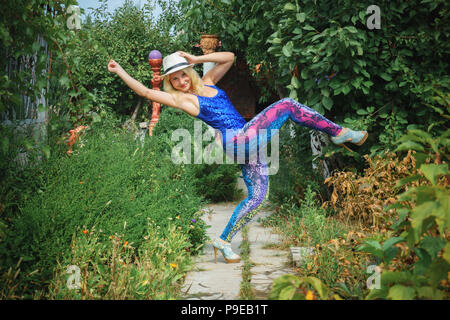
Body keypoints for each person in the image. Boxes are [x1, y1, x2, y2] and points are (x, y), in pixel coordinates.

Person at [107, 51, 368, 264]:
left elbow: (229, 57)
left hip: (245, 142)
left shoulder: (207, 80)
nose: (180, 81)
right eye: (174, 79)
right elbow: (146, 92)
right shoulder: (182, 99)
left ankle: (223, 240)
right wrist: (120, 71)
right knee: (287, 105)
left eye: (182, 74)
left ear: (189, 72)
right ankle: (339, 133)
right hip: (239, 139)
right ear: (171, 83)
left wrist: (197, 59)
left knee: (258, 197)